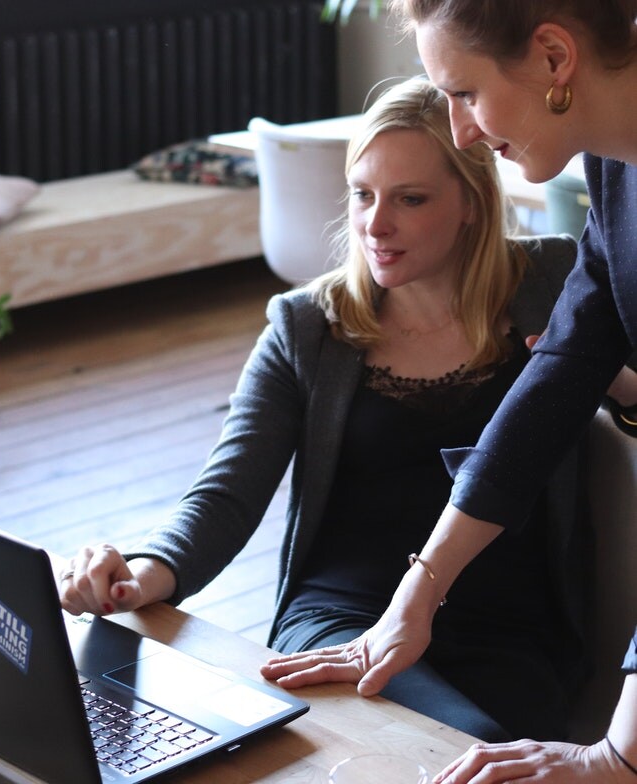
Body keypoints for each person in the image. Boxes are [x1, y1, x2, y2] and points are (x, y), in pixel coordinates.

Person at [58, 76, 593, 743]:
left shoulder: (555, 283)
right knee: (453, 743)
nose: (376, 224)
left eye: (411, 199)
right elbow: (227, 492)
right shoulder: (308, 326)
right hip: (343, 617)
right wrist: (141, 576)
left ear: (472, 204)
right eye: (363, 195)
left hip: (508, 629)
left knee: (475, 746)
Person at [273, 2, 637, 782]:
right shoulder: (616, 168)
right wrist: (418, 592)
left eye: (465, 93)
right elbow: (560, 371)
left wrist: (620, 752)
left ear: (552, 56)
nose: (462, 130)